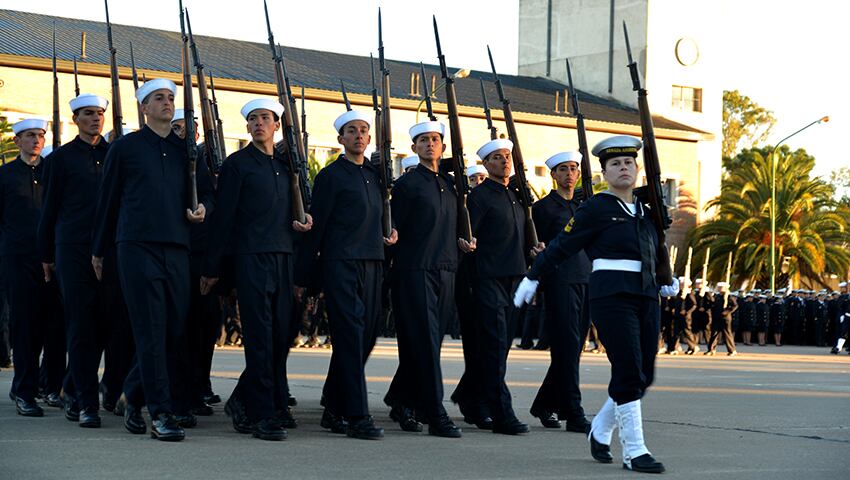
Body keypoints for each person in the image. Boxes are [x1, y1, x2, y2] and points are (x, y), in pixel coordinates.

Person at [515, 135, 677, 473]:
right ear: (604, 171)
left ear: (637, 169)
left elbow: (656, 248)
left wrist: (665, 278)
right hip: (611, 296)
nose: (623, 168)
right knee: (629, 370)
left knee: (643, 375)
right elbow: (562, 245)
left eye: (628, 163)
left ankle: (600, 429)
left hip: (646, 295)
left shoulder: (647, 212)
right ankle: (634, 450)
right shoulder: (596, 207)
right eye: (615, 164)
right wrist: (533, 276)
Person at [91, 79, 211, 441]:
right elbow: (107, 201)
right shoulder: (125, 148)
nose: (167, 102)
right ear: (144, 107)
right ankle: (160, 413)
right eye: (159, 97)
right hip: (136, 246)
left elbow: (206, 194)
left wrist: (203, 208)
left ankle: (132, 392)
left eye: (171, 97)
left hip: (177, 247)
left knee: (173, 329)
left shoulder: (186, 151)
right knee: (150, 327)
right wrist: (99, 249)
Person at [200, 99, 311, 440]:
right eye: (253, 119)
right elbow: (224, 219)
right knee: (260, 339)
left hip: (283, 258)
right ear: (247, 127)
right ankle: (262, 415)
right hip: (251, 259)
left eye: (266, 118)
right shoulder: (238, 165)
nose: (260, 123)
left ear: (277, 125)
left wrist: (304, 224)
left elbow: (296, 215)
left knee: (280, 338)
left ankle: (243, 400)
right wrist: (214, 267)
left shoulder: (286, 167)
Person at [295, 108, 397, 440]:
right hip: (341, 264)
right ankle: (356, 415)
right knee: (350, 338)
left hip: (373, 263)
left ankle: (334, 405)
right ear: (341, 139)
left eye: (363, 130)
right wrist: (307, 278)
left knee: (365, 338)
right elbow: (317, 229)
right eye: (351, 131)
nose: (358, 135)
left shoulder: (375, 176)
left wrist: (390, 237)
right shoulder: (331, 176)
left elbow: (384, 220)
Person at [37, 93, 123, 427]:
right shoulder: (60, 159)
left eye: (100, 113)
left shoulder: (115, 153)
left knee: (106, 326)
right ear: (76, 119)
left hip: (110, 249)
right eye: (88, 114)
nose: (95, 118)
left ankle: (74, 388)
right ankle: (87, 403)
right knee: (81, 325)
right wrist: (46, 254)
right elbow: (50, 210)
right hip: (72, 249)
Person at [383, 120, 467, 438]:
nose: (430, 144)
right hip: (414, 270)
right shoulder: (407, 185)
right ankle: (435, 412)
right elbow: (394, 229)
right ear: (414, 148)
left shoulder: (449, 184)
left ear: (443, 147)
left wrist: (463, 242)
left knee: (428, 344)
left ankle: (400, 399)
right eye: (423, 140)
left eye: (435, 139)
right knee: (426, 343)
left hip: (446, 270)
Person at [455, 138, 541, 436]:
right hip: (487, 278)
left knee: (499, 347)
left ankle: (470, 398)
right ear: (486, 164)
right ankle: (501, 412)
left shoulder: (516, 197)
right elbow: (466, 239)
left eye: (507, 156)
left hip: (513, 279)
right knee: (493, 346)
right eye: (496, 158)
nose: (504, 161)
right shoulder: (478, 197)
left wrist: (533, 249)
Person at [1, 118, 64, 417]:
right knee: (25, 327)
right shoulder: (5, 175)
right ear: (17, 141)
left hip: (51, 260)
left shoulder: (52, 172)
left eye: (40, 135)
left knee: (54, 326)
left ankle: (51, 386)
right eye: (30, 136)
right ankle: (24, 391)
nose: (37, 140)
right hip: (19, 260)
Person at [527, 151, 591, 432]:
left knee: (573, 349)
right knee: (566, 346)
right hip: (559, 282)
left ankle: (544, 403)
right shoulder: (543, 209)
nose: (569, 174)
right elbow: (533, 247)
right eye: (563, 169)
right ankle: (573, 411)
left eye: (573, 169)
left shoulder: (584, 207)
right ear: (553, 175)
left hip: (586, 280)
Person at [706, 282, 737, 355]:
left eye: (721, 287)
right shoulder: (717, 296)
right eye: (719, 287)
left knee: (727, 334)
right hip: (716, 318)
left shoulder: (728, 297)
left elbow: (734, 306)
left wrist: (726, 312)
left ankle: (732, 350)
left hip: (725, 318)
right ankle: (711, 349)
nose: (719, 288)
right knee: (714, 334)